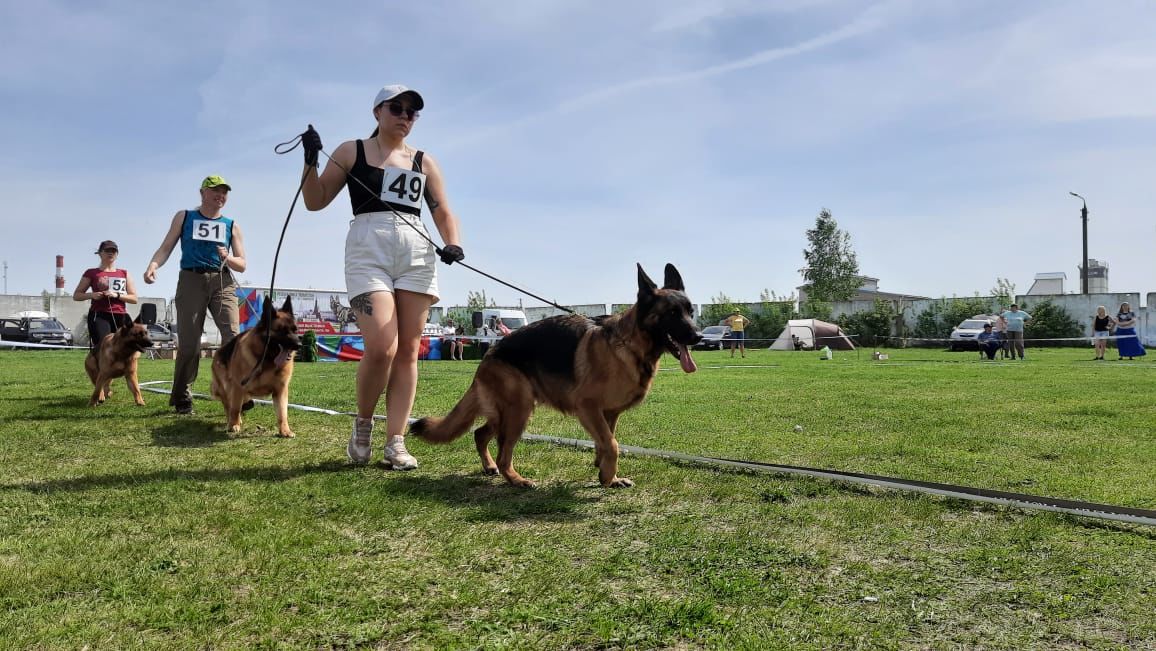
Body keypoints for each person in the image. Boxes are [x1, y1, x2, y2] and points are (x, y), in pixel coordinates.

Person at [300, 84, 464, 469]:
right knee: (382, 346)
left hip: (416, 252)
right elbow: (315, 200)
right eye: (397, 108)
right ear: (377, 111)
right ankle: (361, 426)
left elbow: (440, 209)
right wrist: (309, 162)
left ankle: (396, 441)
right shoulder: (351, 150)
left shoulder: (424, 161)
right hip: (367, 251)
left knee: (409, 349)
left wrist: (452, 242)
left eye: (412, 112)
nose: (405, 116)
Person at [143, 175, 247, 414]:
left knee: (233, 338)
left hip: (222, 281)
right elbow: (166, 246)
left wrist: (227, 257)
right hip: (191, 279)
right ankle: (182, 397)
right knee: (189, 345)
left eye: (224, 192)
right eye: (215, 191)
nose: (220, 196)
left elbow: (242, 264)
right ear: (202, 193)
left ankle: (237, 392)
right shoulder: (185, 217)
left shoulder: (232, 225)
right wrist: (153, 265)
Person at [73, 240, 138, 349]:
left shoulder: (124, 273)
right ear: (100, 253)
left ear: (117, 254)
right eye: (107, 250)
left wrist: (116, 295)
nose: (111, 253)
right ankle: (99, 364)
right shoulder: (91, 273)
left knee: (125, 347)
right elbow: (77, 295)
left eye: (114, 251)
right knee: (104, 347)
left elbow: (134, 298)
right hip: (99, 315)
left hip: (121, 315)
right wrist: (92, 295)